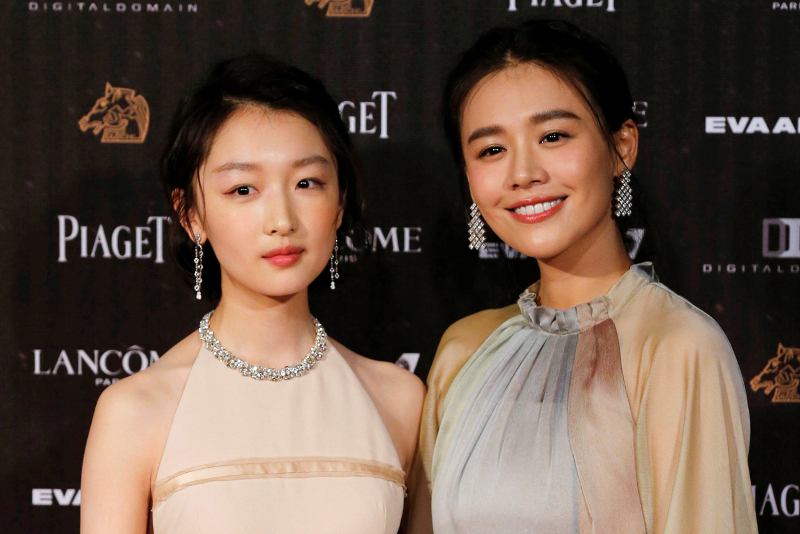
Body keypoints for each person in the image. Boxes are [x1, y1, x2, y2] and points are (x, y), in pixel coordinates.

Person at [406, 20, 758, 534]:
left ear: (622, 148)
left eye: (553, 136)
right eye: (491, 150)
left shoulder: (678, 347)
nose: (522, 172)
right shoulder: (463, 351)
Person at [80, 53, 425, 534]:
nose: (282, 219)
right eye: (243, 189)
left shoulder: (399, 400)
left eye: (307, 182)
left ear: (340, 201)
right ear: (191, 215)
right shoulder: (136, 412)